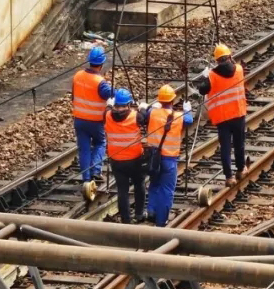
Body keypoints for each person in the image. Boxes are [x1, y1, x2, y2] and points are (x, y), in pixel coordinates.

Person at [141, 84, 194, 227]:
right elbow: (189, 120)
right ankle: (161, 220)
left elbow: (144, 114)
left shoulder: (152, 112)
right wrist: (187, 110)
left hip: (153, 157)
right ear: (172, 100)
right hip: (169, 159)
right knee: (166, 190)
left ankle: (151, 211)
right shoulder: (177, 117)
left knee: (154, 184)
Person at [196, 43, 248, 187]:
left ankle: (229, 177)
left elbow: (202, 91)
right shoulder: (239, 69)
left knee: (225, 147)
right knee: (239, 143)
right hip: (238, 113)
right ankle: (241, 169)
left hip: (222, 118)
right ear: (230, 57)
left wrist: (205, 77)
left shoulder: (212, 76)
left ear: (217, 60)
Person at [71, 45, 113, 200]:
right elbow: (110, 96)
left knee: (84, 149)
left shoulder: (77, 76)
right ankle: (96, 171)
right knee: (100, 143)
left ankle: (86, 179)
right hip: (95, 122)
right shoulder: (100, 82)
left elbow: (74, 96)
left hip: (80, 120)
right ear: (101, 64)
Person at [105, 88, 146, 223]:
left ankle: (125, 220)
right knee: (139, 185)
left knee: (122, 190)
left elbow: (107, 110)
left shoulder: (107, 115)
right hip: (134, 159)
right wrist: (142, 108)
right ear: (128, 104)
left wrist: (109, 105)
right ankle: (139, 214)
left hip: (116, 160)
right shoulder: (135, 116)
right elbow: (145, 118)